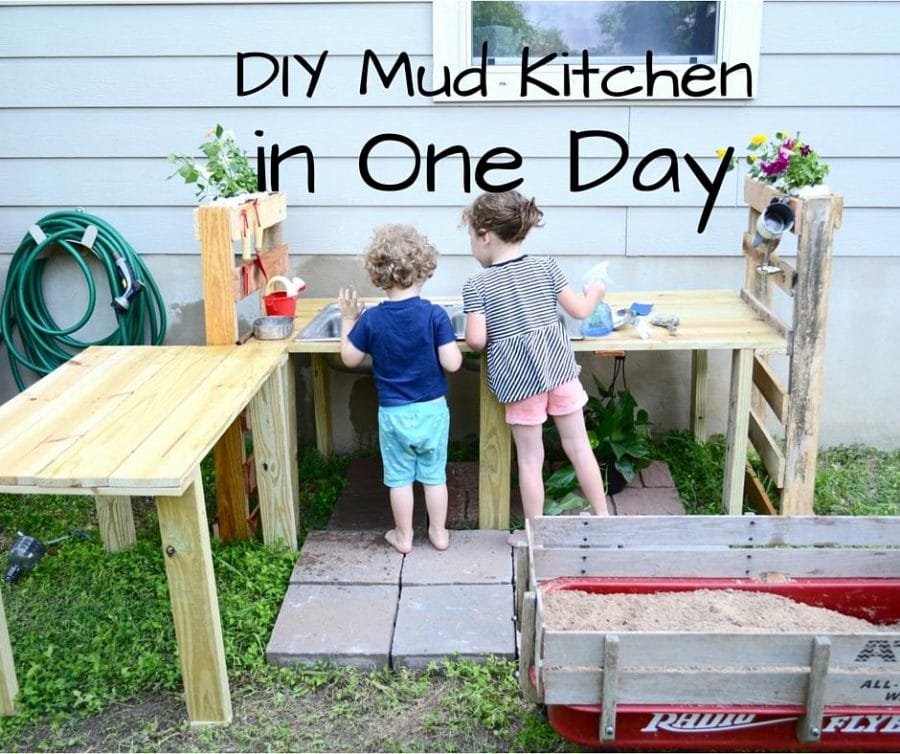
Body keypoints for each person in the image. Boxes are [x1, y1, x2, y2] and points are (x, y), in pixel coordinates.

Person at [461, 191, 610, 542]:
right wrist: (596, 293)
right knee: (578, 445)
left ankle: (534, 533)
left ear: (485, 234)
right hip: (558, 370)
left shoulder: (476, 284)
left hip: (519, 381)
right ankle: (603, 516)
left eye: (470, 237)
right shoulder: (546, 266)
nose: (472, 245)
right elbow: (580, 311)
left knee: (530, 459)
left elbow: (477, 341)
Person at [339, 224, 463, 554]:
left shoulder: (372, 319)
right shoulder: (435, 315)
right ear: (423, 269)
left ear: (378, 273)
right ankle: (438, 533)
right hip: (432, 411)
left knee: (399, 478)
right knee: (434, 476)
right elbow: (452, 364)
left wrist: (348, 319)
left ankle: (404, 536)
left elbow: (349, 358)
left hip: (393, 413)